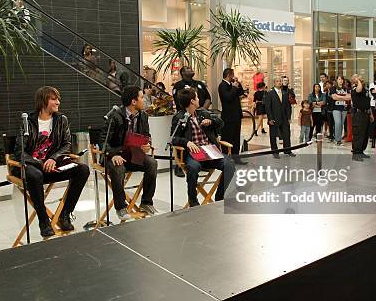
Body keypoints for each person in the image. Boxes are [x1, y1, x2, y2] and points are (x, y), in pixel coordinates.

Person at [15, 86, 90, 237]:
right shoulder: (27, 121)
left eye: (58, 99)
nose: (58, 102)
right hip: (33, 168)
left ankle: (65, 214)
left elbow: (67, 144)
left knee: (83, 170)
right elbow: (19, 152)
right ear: (43, 101)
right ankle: (44, 220)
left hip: (53, 165)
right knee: (35, 175)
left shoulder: (61, 120)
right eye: (54, 99)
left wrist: (53, 158)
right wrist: (40, 163)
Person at [101, 86, 158, 220]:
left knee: (152, 163)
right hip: (116, 155)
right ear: (133, 101)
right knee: (118, 169)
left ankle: (146, 202)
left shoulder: (143, 115)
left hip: (134, 154)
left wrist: (147, 145)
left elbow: (146, 135)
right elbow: (103, 141)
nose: (144, 100)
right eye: (141, 97)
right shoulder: (115, 116)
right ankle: (121, 207)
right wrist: (113, 155)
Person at [172, 88, 235, 207]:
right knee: (193, 167)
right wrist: (186, 143)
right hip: (194, 154)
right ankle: (193, 201)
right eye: (197, 97)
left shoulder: (203, 113)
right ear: (192, 101)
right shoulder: (179, 117)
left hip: (209, 151)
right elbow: (173, 138)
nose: (199, 99)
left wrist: (211, 121)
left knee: (230, 165)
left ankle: (220, 196)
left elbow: (221, 123)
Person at [264, 77, 296, 158]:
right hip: (274, 118)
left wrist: (289, 117)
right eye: (277, 81)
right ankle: (275, 152)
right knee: (273, 135)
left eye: (280, 81)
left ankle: (287, 150)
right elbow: (268, 107)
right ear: (274, 83)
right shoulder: (270, 93)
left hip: (284, 118)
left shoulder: (285, 93)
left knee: (286, 134)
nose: (279, 82)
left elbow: (288, 106)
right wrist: (270, 118)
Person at [219, 68, 246, 162]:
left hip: (236, 115)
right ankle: (226, 158)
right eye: (233, 74)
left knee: (236, 137)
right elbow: (228, 97)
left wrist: (238, 84)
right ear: (229, 75)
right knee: (227, 137)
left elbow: (241, 93)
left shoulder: (232, 84)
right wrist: (234, 87)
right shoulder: (222, 85)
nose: (234, 76)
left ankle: (236, 157)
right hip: (228, 117)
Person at [350, 74, 370, 161]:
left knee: (365, 133)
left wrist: (371, 114)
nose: (361, 77)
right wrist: (357, 81)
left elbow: (367, 102)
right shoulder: (355, 88)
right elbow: (358, 89)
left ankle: (361, 151)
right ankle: (356, 153)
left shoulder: (364, 89)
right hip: (358, 114)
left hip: (366, 113)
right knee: (358, 133)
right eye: (358, 77)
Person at [330, 76, 350, 146]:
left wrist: (339, 97)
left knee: (341, 124)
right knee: (337, 123)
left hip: (344, 108)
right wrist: (344, 97)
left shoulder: (346, 88)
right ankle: (337, 139)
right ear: (336, 80)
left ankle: (339, 140)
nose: (340, 81)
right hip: (336, 108)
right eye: (339, 79)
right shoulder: (333, 88)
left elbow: (349, 98)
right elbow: (334, 97)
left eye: (342, 79)